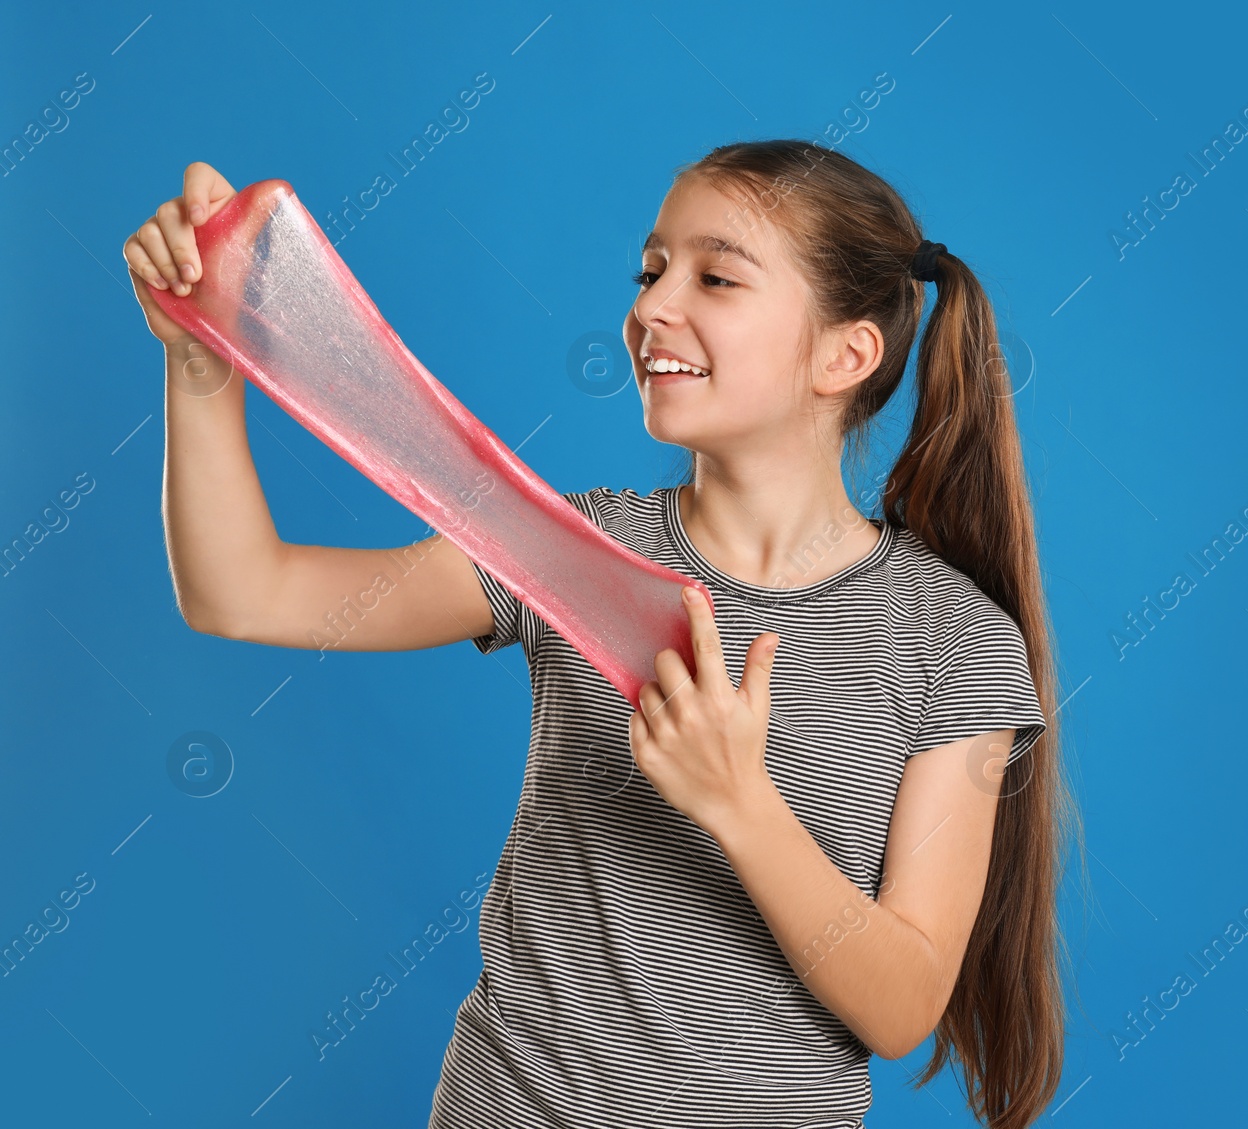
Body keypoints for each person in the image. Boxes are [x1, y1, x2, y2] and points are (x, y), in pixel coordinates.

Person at [127, 143, 1084, 1128]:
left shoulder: (953, 641)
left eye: (714, 276)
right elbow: (244, 593)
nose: (652, 307)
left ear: (844, 355)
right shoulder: (567, 547)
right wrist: (202, 366)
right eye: (651, 269)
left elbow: (904, 1004)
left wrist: (739, 803)